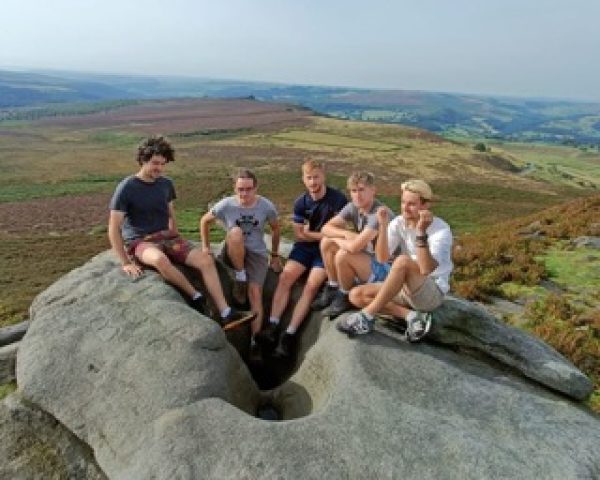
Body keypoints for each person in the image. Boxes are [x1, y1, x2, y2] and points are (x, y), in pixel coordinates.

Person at [108, 136, 254, 328]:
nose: (159, 168)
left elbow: (170, 213)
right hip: (140, 241)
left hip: (167, 237)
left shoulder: (165, 183)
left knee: (205, 260)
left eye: (163, 164)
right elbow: (113, 227)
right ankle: (196, 297)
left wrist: (176, 237)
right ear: (143, 160)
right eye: (154, 163)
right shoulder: (127, 187)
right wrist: (125, 262)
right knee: (160, 260)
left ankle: (226, 312)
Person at [338, 179, 453, 341]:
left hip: (430, 293)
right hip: (406, 289)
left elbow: (426, 269)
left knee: (402, 261)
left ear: (425, 206)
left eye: (411, 204)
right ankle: (413, 316)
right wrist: (383, 226)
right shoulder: (399, 222)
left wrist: (421, 232)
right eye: (403, 202)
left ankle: (366, 317)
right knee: (356, 295)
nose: (405, 208)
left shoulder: (441, 230)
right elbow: (381, 258)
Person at [258, 159, 347, 358]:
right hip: (304, 248)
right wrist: (320, 234)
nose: (313, 182)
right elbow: (299, 235)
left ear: (323, 176)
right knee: (285, 278)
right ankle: (272, 326)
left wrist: (313, 234)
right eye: (309, 178)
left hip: (325, 251)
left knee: (312, 286)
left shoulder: (338, 200)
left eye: (316, 177)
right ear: (303, 179)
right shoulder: (301, 202)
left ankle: (288, 335)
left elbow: (338, 234)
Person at [200, 168, 282, 360]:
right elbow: (205, 221)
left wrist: (276, 255)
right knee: (235, 233)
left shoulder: (266, 206)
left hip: (256, 253)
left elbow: (276, 229)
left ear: (256, 188)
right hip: (233, 249)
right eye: (240, 189)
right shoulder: (227, 205)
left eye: (248, 189)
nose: (244, 194)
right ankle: (240, 277)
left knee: (255, 293)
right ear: (235, 189)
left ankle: (255, 342)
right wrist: (205, 247)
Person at [312, 171, 395, 318]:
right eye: (354, 191)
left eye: (362, 190)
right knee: (326, 243)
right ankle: (333, 286)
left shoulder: (379, 214)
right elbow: (325, 228)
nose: (358, 195)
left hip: (387, 270)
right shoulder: (353, 207)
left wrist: (338, 238)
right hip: (370, 257)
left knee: (344, 255)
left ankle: (344, 295)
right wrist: (345, 234)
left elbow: (354, 247)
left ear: (373, 190)